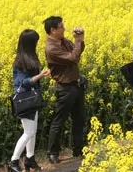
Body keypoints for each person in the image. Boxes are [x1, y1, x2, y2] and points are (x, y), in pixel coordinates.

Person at [44, 16, 86, 163]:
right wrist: (78, 41)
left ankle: (78, 149)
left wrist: (80, 39)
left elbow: (77, 53)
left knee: (78, 119)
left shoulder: (62, 41)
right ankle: (52, 153)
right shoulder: (52, 48)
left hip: (75, 85)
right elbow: (73, 58)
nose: (64, 29)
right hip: (65, 87)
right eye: (62, 27)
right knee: (59, 120)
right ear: (53, 30)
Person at [8, 30, 50, 172]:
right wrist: (40, 76)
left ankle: (30, 159)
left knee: (33, 132)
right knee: (28, 132)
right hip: (25, 100)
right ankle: (13, 162)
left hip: (32, 98)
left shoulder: (30, 57)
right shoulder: (20, 61)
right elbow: (22, 82)